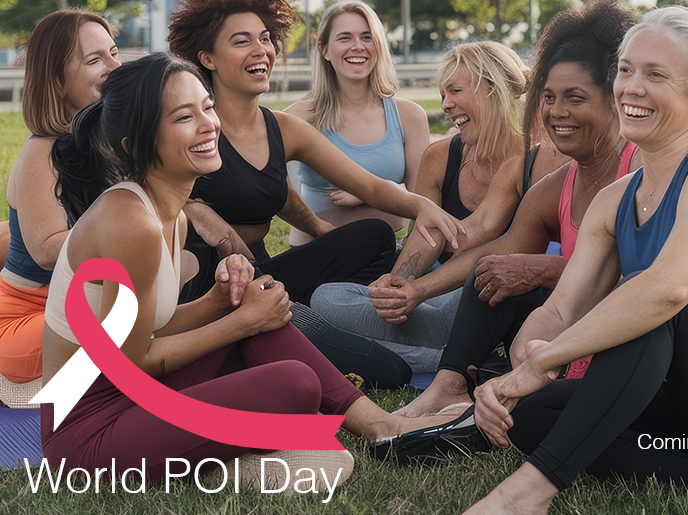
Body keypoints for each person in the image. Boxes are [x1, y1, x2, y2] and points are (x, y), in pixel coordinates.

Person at [42, 52, 462, 486]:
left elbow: (142, 329)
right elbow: (132, 361)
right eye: (184, 117)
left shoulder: (169, 215)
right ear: (137, 144)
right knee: (294, 385)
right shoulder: (130, 223)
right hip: (86, 434)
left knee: (258, 316)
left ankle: (381, 426)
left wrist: (218, 303)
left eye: (207, 107)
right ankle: (235, 455)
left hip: (135, 398)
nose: (209, 124)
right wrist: (240, 322)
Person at [463, 6, 688, 512]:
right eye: (626, 70)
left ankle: (524, 496)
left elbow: (666, 293)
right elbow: (560, 309)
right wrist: (516, 372)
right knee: (535, 413)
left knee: (653, 307)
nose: (632, 87)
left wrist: (546, 359)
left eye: (656, 75)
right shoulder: (615, 200)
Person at [167, 0, 464, 389]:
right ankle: (310, 326)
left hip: (262, 272)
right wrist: (193, 210)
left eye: (265, 39)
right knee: (391, 371)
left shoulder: (282, 128)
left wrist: (420, 206)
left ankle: (326, 315)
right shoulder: (193, 125)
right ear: (207, 57)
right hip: (212, 286)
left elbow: (368, 185)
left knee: (373, 234)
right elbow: (136, 178)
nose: (261, 50)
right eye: (242, 41)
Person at [394, 0, 640, 417]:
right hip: (565, 331)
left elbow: (650, 283)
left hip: (634, 339)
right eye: (549, 97)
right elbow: (494, 244)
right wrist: (413, 288)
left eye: (575, 98)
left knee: (532, 417)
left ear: (614, 98)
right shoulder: (556, 184)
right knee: (493, 269)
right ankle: (449, 385)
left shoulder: (641, 172)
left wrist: (544, 269)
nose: (557, 111)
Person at [311, 41, 557, 373]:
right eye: (442, 94)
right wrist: (397, 286)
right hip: (440, 296)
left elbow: (482, 235)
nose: (445, 105)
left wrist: (418, 289)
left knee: (325, 322)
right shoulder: (442, 156)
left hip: (490, 297)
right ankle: (448, 357)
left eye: (454, 91)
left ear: (492, 89)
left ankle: (432, 359)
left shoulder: (535, 159)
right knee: (326, 299)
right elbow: (433, 234)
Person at [0, 9, 120, 402]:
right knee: (130, 317)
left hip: (75, 304)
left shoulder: (102, 145)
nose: (114, 67)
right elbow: (48, 250)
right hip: (24, 319)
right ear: (57, 80)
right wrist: (131, 233)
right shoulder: (43, 152)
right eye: (94, 59)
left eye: (114, 53)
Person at [285, 0, 429, 245]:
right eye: (345, 38)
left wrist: (375, 192)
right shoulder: (299, 117)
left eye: (367, 37)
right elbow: (262, 181)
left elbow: (424, 202)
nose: (358, 46)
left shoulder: (410, 116)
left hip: (386, 251)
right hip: (317, 252)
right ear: (324, 49)